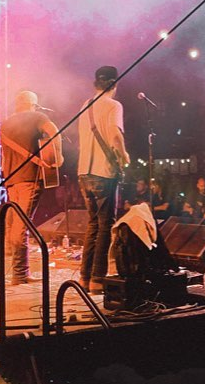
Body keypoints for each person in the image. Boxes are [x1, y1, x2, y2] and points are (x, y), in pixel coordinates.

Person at [0, 90, 63, 285]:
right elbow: (55, 132)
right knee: (22, 226)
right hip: (29, 177)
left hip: (12, 179)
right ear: (33, 104)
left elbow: (3, 157)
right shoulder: (38, 116)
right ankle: (19, 274)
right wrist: (57, 156)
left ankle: (18, 271)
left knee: (15, 224)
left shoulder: (6, 123)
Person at [77, 65, 130, 294]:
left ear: (95, 84)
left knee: (92, 225)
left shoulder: (85, 105)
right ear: (114, 85)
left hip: (83, 173)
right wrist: (124, 156)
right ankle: (98, 279)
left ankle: (84, 277)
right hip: (102, 173)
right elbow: (116, 135)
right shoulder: (113, 105)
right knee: (105, 226)